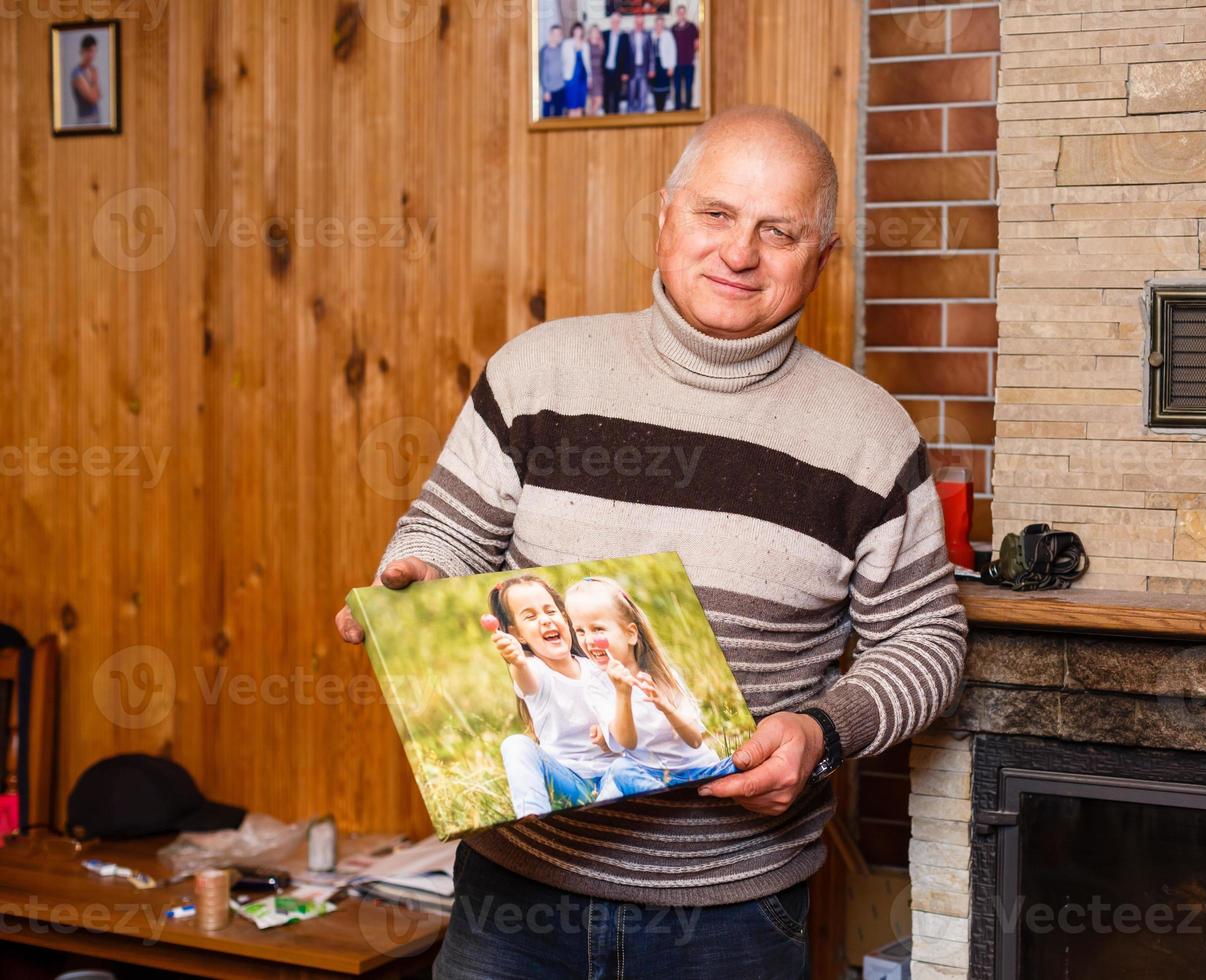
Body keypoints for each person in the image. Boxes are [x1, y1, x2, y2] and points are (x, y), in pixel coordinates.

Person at [337, 105, 967, 978]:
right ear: (665, 215)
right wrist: (418, 575)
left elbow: (929, 642)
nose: (739, 254)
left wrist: (824, 730)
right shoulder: (537, 373)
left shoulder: (870, 435)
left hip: (733, 917)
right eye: (715, 215)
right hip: (515, 896)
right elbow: (445, 530)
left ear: (821, 258)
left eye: (777, 231)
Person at [563, 577, 736, 801]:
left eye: (598, 628)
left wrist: (666, 708)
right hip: (649, 775)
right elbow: (627, 742)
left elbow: (694, 740)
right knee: (619, 770)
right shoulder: (597, 686)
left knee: (740, 761)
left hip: (698, 770)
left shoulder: (664, 676)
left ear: (630, 634)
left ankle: (677, 798)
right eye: (580, 631)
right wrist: (622, 693)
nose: (588, 640)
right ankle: (673, 800)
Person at [485, 575, 624, 817]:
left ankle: (601, 808)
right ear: (517, 634)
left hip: (616, 774)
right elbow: (525, 678)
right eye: (531, 616)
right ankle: (534, 819)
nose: (546, 620)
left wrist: (610, 733)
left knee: (630, 763)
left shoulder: (598, 666)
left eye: (550, 611)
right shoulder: (534, 671)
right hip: (568, 784)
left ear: (564, 617)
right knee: (515, 744)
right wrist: (517, 660)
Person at [601, 13, 631, 115]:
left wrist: (626, 72)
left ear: (620, 22)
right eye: (613, 21)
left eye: (617, 21)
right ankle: (606, 116)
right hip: (605, 71)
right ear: (611, 22)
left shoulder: (625, 36)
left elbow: (628, 55)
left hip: (618, 71)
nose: (615, 23)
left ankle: (615, 116)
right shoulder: (604, 34)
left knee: (616, 96)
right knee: (606, 95)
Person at [670, 4, 699, 110]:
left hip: (689, 63)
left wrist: (691, 53)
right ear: (677, 14)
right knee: (677, 88)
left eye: (683, 12)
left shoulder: (692, 27)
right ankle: (677, 107)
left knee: (688, 87)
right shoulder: (673, 28)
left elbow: (697, 43)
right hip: (676, 63)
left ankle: (688, 107)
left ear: (685, 14)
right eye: (679, 13)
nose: (681, 14)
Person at [562, 22, 591, 118]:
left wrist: (590, 77)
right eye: (576, 29)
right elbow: (563, 60)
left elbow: (588, 63)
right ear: (573, 31)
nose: (578, 32)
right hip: (571, 78)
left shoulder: (585, 45)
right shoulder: (567, 43)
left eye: (580, 29)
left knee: (580, 104)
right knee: (572, 104)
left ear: (582, 31)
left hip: (583, 78)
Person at [71, 34, 101, 125]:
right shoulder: (77, 73)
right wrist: (95, 79)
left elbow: (99, 95)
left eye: (93, 51)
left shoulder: (91, 70)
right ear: (82, 51)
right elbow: (92, 98)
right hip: (85, 121)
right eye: (88, 51)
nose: (91, 55)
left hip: (96, 118)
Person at [538, 25, 567, 119]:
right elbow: (542, 73)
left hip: (561, 88)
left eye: (559, 34)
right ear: (550, 35)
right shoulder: (544, 51)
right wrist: (546, 91)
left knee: (559, 116)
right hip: (549, 91)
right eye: (554, 34)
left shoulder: (562, 48)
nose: (557, 36)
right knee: (546, 118)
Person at [625, 13, 652, 113]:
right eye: (637, 23)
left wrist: (651, 69)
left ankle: (642, 113)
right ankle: (630, 113)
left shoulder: (647, 35)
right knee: (631, 93)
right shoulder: (629, 35)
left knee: (643, 93)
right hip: (632, 68)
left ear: (643, 24)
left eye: (641, 23)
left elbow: (651, 53)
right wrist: (625, 71)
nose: (639, 25)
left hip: (644, 68)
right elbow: (625, 55)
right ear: (634, 23)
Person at [650, 15, 675, 113]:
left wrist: (671, 67)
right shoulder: (651, 35)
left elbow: (673, 51)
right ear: (655, 24)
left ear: (663, 25)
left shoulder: (668, 35)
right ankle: (657, 108)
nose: (659, 26)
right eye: (657, 24)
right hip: (654, 64)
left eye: (661, 24)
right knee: (655, 87)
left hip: (664, 65)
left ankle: (663, 108)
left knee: (664, 87)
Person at [586, 24, 605, 116]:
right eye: (593, 31)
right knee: (590, 101)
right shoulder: (586, 44)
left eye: (597, 31)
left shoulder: (601, 44)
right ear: (590, 33)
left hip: (599, 76)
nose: (595, 33)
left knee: (599, 100)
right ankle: (590, 119)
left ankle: (592, 116)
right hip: (590, 75)